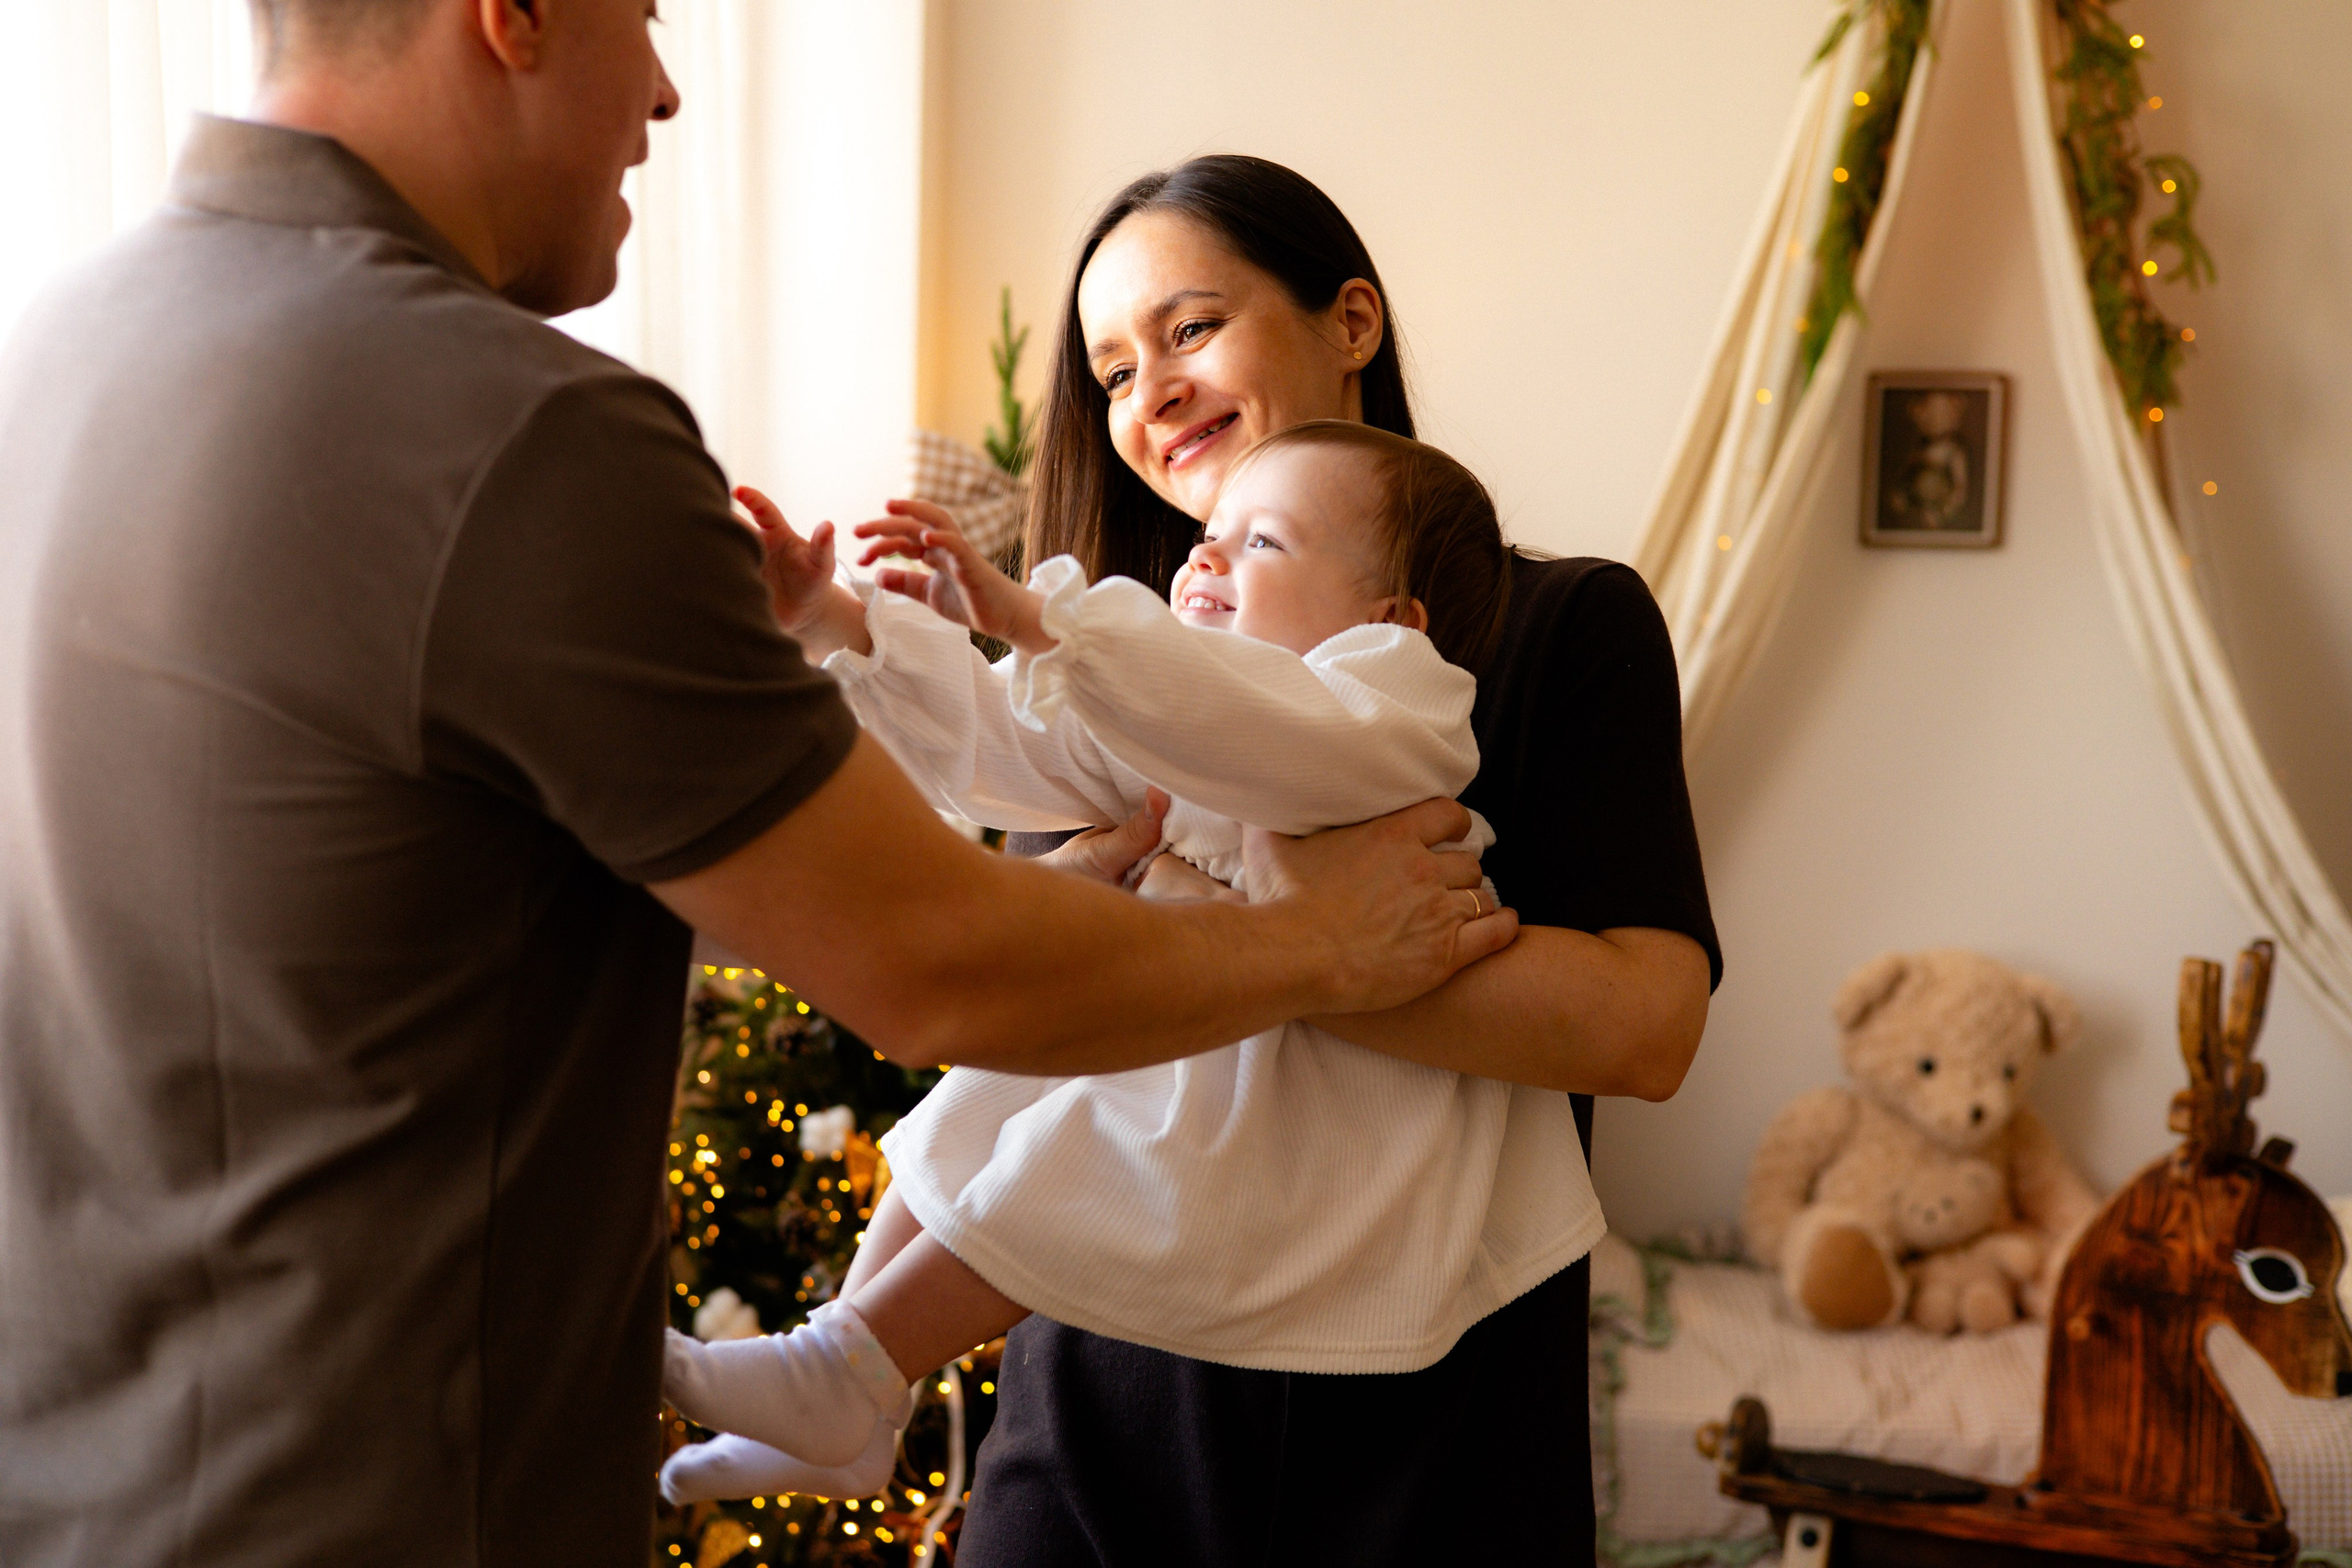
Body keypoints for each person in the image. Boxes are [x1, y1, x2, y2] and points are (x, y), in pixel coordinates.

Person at [0, 8, 1514, 1564]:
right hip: (379, 1492)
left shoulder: (58, 347)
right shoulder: (518, 430)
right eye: (647, 17)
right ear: (510, 15)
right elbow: (937, 960)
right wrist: (1321, 939)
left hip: (81, 1469)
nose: (662, 88)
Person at [942, 155, 1721, 1567]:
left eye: (1188, 330)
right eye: (1113, 371)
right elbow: (1021, 978)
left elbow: (1645, 1024)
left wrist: (1210, 925)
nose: (1150, 394)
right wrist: (1271, 928)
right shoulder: (1106, 669)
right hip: (1100, 1404)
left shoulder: (1561, 628)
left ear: (1351, 320)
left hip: (1430, 1432)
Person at [659, 423, 1594, 1508]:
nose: (1206, 558)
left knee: (1075, 1150)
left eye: (1263, 543)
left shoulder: (1394, 700)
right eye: (1209, 536)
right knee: (977, 1101)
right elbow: (1007, 751)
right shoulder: (1182, 705)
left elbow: (1270, 734)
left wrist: (1045, 620)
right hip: (1218, 1012)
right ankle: (852, 1387)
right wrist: (839, 623)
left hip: (1319, 1099)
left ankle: (846, 1371)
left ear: (1391, 619)